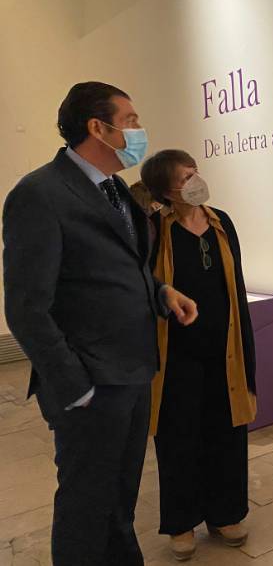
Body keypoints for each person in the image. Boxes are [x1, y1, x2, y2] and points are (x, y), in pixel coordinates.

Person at [2, 82, 198, 566]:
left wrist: (161, 292)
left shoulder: (116, 190)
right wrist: (75, 387)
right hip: (90, 384)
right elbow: (26, 307)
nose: (138, 130)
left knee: (119, 500)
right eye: (130, 121)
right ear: (98, 127)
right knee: (86, 506)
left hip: (132, 372)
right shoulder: (40, 194)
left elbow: (121, 266)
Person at [141, 150, 256, 561]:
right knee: (179, 438)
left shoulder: (221, 222)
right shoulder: (155, 228)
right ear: (167, 190)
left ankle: (226, 513)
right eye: (185, 176)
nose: (196, 181)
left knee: (227, 431)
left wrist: (248, 358)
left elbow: (236, 288)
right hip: (176, 355)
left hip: (224, 350)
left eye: (195, 172)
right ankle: (182, 522)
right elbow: (146, 289)